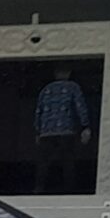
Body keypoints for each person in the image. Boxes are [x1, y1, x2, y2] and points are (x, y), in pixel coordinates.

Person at [34, 65, 92, 194]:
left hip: (46, 132)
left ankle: (39, 188)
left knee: (43, 162)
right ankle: (68, 189)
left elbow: (38, 111)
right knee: (68, 161)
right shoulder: (73, 87)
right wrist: (85, 126)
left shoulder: (46, 89)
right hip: (66, 130)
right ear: (68, 73)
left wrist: (37, 131)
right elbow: (80, 106)